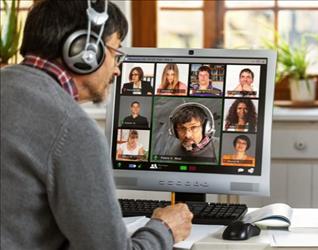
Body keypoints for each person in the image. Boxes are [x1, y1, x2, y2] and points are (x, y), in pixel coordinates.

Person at [0, 1, 193, 250]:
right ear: (84, 51)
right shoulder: (72, 128)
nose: (117, 70)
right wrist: (164, 229)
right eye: (115, 54)